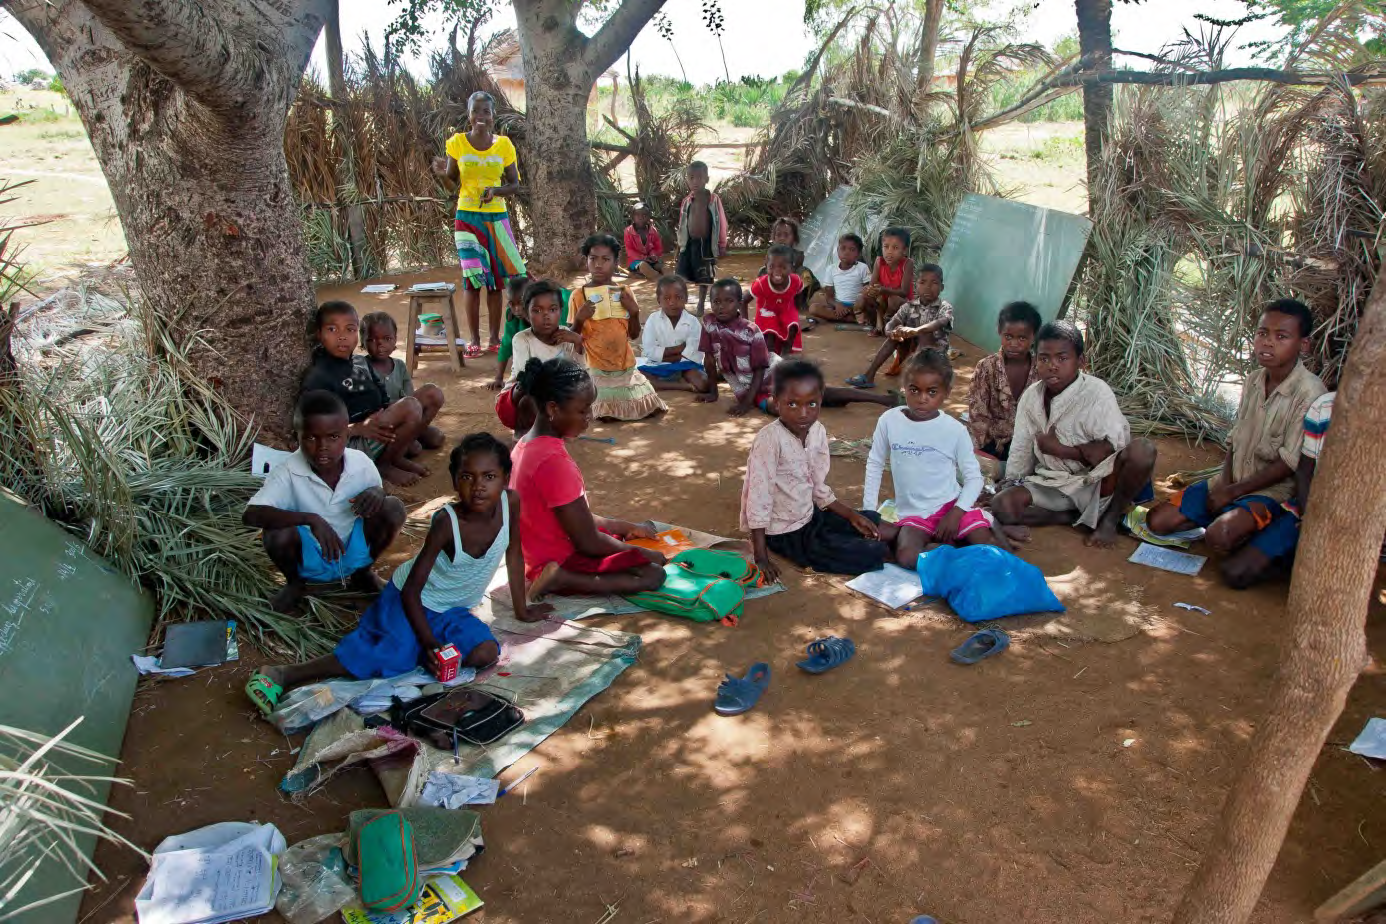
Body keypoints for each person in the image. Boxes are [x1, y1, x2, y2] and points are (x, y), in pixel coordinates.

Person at [245, 434, 545, 715]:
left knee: (485, 652)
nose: (478, 486)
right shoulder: (447, 522)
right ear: (454, 480)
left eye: (489, 477)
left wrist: (522, 608)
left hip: (453, 609)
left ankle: (410, 645)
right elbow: (412, 591)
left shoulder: (510, 503)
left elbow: (514, 552)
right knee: (387, 658)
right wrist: (429, 643)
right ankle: (285, 673)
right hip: (410, 600)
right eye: (467, 477)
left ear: (506, 478)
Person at [1144, 299, 1326, 588]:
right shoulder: (1254, 380)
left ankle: (1255, 533)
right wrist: (1225, 483)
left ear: (1303, 345)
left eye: (1281, 337)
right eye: (1262, 333)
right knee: (1157, 522)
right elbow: (1234, 441)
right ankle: (1236, 522)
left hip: (1272, 491)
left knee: (1220, 536)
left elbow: (1289, 465)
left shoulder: (1310, 393)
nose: (1267, 343)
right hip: (1232, 480)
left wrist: (1231, 493)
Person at [510, 357, 667, 599]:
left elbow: (572, 515)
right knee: (653, 574)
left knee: (618, 540)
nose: (590, 417)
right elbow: (588, 542)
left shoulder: (525, 445)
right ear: (553, 409)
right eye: (583, 410)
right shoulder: (553, 462)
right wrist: (643, 555)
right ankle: (561, 579)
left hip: (537, 552)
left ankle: (559, 574)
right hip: (559, 558)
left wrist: (625, 528)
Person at [992, 321, 1158, 548]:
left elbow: (1110, 452)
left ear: (1080, 361)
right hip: (1054, 482)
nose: (1052, 366)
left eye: (1062, 358)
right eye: (1044, 358)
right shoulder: (1032, 397)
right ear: (1035, 360)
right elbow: (1021, 447)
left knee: (1143, 450)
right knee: (1002, 506)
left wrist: (1060, 450)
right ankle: (1069, 518)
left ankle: (1109, 520)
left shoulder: (1097, 392)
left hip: (1097, 484)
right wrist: (1010, 481)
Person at [244, 390, 406, 613]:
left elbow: (379, 497)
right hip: (310, 559)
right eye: (311, 438)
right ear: (297, 437)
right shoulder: (288, 470)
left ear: (346, 434)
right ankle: (296, 584)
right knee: (275, 530)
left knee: (393, 508)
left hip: (352, 553)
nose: (322, 447)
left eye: (333, 437)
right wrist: (311, 520)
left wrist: (377, 492)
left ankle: (363, 573)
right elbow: (251, 514)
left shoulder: (361, 463)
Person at [741, 359, 900, 582]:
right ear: (776, 403)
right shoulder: (769, 441)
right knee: (877, 552)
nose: (803, 413)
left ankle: (937, 544)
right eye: (793, 404)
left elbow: (817, 486)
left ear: (821, 400)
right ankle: (926, 556)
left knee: (884, 529)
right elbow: (758, 498)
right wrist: (761, 556)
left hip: (812, 515)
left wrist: (851, 515)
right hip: (785, 532)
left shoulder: (817, 432)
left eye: (812, 404)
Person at [864, 350, 1012, 569]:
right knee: (907, 557)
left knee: (987, 546)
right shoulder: (889, 421)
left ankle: (977, 528)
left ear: (946, 393)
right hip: (914, 514)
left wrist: (956, 512)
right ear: (905, 387)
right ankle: (953, 552)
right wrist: (869, 513)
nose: (922, 399)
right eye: (914, 390)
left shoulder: (954, 430)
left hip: (951, 506)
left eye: (932, 392)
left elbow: (974, 478)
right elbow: (875, 464)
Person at [432, 90, 525, 357]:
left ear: (493, 116)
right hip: (467, 218)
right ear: (469, 114)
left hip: (496, 217)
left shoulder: (504, 145)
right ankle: (474, 339)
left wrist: (495, 192)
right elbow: (452, 182)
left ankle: (494, 339)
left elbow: (514, 184)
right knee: (472, 281)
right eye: (476, 111)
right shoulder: (457, 143)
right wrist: (442, 175)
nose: (481, 116)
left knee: (496, 282)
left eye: (486, 111)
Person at [302, 300, 435, 487]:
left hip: (378, 430)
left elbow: (385, 400)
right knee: (410, 406)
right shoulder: (319, 377)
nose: (342, 337)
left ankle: (395, 456)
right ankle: (383, 466)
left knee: (432, 393)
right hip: (353, 443)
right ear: (319, 334)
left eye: (349, 329)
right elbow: (311, 429)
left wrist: (396, 419)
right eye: (332, 329)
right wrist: (357, 428)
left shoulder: (360, 365)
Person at [570, 233, 666, 421]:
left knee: (651, 408)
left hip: (626, 366)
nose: (598, 264)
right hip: (597, 367)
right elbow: (572, 340)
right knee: (606, 414)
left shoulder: (625, 292)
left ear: (615, 263)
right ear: (586, 261)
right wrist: (580, 319)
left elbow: (634, 334)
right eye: (593, 259)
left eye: (605, 259)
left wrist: (635, 312)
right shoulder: (578, 295)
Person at [495, 279, 583, 435]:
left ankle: (553, 429)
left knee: (584, 389)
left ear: (561, 311)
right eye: (537, 310)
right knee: (529, 396)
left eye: (552, 309)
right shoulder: (522, 339)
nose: (546, 316)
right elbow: (527, 378)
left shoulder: (567, 336)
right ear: (526, 313)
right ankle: (524, 433)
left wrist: (577, 344)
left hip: (553, 397)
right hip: (517, 401)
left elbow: (580, 372)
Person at [846, 263, 951, 389]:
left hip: (934, 356)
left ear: (942, 287)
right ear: (916, 285)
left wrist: (915, 330)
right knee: (895, 333)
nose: (928, 287)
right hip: (911, 351)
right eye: (923, 282)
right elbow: (890, 324)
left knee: (925, 334)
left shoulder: (945, 307)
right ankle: (869, 376)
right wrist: (892, 332)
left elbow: (940, 322)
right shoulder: (909, 306)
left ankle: (912, 386)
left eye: (934, 283)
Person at [966, 300, 1043, 460]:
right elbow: (978, 415)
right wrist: (985, 452)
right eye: (1008, 336)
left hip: (1029, 446)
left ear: (1034, 337)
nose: (1014, 344)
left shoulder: (1042, 371)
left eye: (1022, 338)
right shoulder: (986, 368)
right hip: (990, 444)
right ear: (999, 332)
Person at [360, 310, 446, 453]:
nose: (380, 344)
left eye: (387, 338)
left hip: (407, 419)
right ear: (362, 342)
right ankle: (400, 447)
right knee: (415, 449)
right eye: (372, 339)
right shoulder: (362, 367)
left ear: (395, 340)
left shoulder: (399, 365)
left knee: (437, 438)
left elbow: (411, 400)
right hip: (383, 422)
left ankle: (408, 438)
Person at [696, 278, 775, 417]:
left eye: (729, 301)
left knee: (808, 391)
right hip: (747, 389)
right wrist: (713, 392)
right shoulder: (709, 324)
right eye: (716, 301)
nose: (721, 306)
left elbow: (760, 369)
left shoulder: (751, 331)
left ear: (739, 304)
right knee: (776, 408)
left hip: (772, 375)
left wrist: (746, 404)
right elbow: (709, 359)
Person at [675, 161, 728, 316]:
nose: (695, 182)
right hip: (689, 243)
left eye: (699, 178)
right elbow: (681, 223)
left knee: (703, 276)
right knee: (681, 275)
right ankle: (681, 304)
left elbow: (722, 222)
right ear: (687, 180)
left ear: (707, 179)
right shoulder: (686, 202)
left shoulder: (713, 200)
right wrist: (679, 246)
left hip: (705, 245)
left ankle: (700, 304)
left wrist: (722, 244)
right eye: (691, 178)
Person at [640, 274, 708, 393]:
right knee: (639, 380)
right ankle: (682, 386)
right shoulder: (653, 319)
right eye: (667, 298)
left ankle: (675, 379)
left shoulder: (692, 321)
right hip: (657, 366)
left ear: (686, 298)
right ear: (658, 300)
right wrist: (679, 349)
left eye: (678, 297)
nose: (672, 302)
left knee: (703, 384)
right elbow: (649, 350)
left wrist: (666, 353)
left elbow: (695, 352)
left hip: (685, 366)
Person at [748, 217, 819, 316]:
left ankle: (798, 303)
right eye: (778, 235)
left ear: (794, 238)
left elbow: (794, 270)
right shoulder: (770, 254)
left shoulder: (798, 255)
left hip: (790, 283)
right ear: (774, 237)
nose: (782, 238)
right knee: (762, 271)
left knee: (805, 273)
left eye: (786, 235)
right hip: (776, 282)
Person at [749, 243, 804, 356]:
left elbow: (799, 292)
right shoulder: (761, 284)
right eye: (772, 266)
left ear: (792, 268)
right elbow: (744, 300)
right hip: (766, 310)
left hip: (785, 308)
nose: (777, 271)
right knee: (770, 328)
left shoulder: (795, 281)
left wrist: (796, 310)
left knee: (793, 324)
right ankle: (770, 353)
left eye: (783, 267)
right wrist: (745, 323)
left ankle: (786, 351)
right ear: (766, 265)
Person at [858, 227, 915, 336]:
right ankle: (879, 324)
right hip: (883, 302)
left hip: (901, 303)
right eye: (886, 247)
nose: (889, 252)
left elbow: (904, 292)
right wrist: (871, 290)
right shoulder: (879, 262)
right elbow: (872, 286)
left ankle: (888, 323)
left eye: (895, 248)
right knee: (865, 295)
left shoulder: (907, 264)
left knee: (893, 299)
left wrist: (883, 289)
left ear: (904, 250)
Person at [808, 234, 871, 324]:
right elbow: (829, 297)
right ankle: (850, 319)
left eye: (852, 249)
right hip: (839, 306)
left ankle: (851, 317)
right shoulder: (831, 269)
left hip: (858, 307)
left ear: (858, 254)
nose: (846, 252)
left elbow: (868, 291)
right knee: (813, 308)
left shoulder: (862, 268)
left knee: (864, 300)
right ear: (838, 250)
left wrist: (859, 306)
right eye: (843, 248)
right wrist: (837, 305)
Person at [487, 275, 531, 391]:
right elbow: (506, 344)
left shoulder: (548, 313)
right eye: (512, 304)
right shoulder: (513, 316)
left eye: (521, 303)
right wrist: (499, 378)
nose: (516, 309)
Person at [623, 203, 665, 282]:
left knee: (661, 265)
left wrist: (653, 255)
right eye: (637, 215)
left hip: (651, 260)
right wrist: (644, 258)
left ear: (649, 217)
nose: (641, 217)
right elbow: (630, 251)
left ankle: (668, 277)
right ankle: (657, 278)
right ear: (633, 217)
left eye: (644, 215)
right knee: (643, 266)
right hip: (635, 261)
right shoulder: (628, 232)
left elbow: (658, 247)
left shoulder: (653, 230)